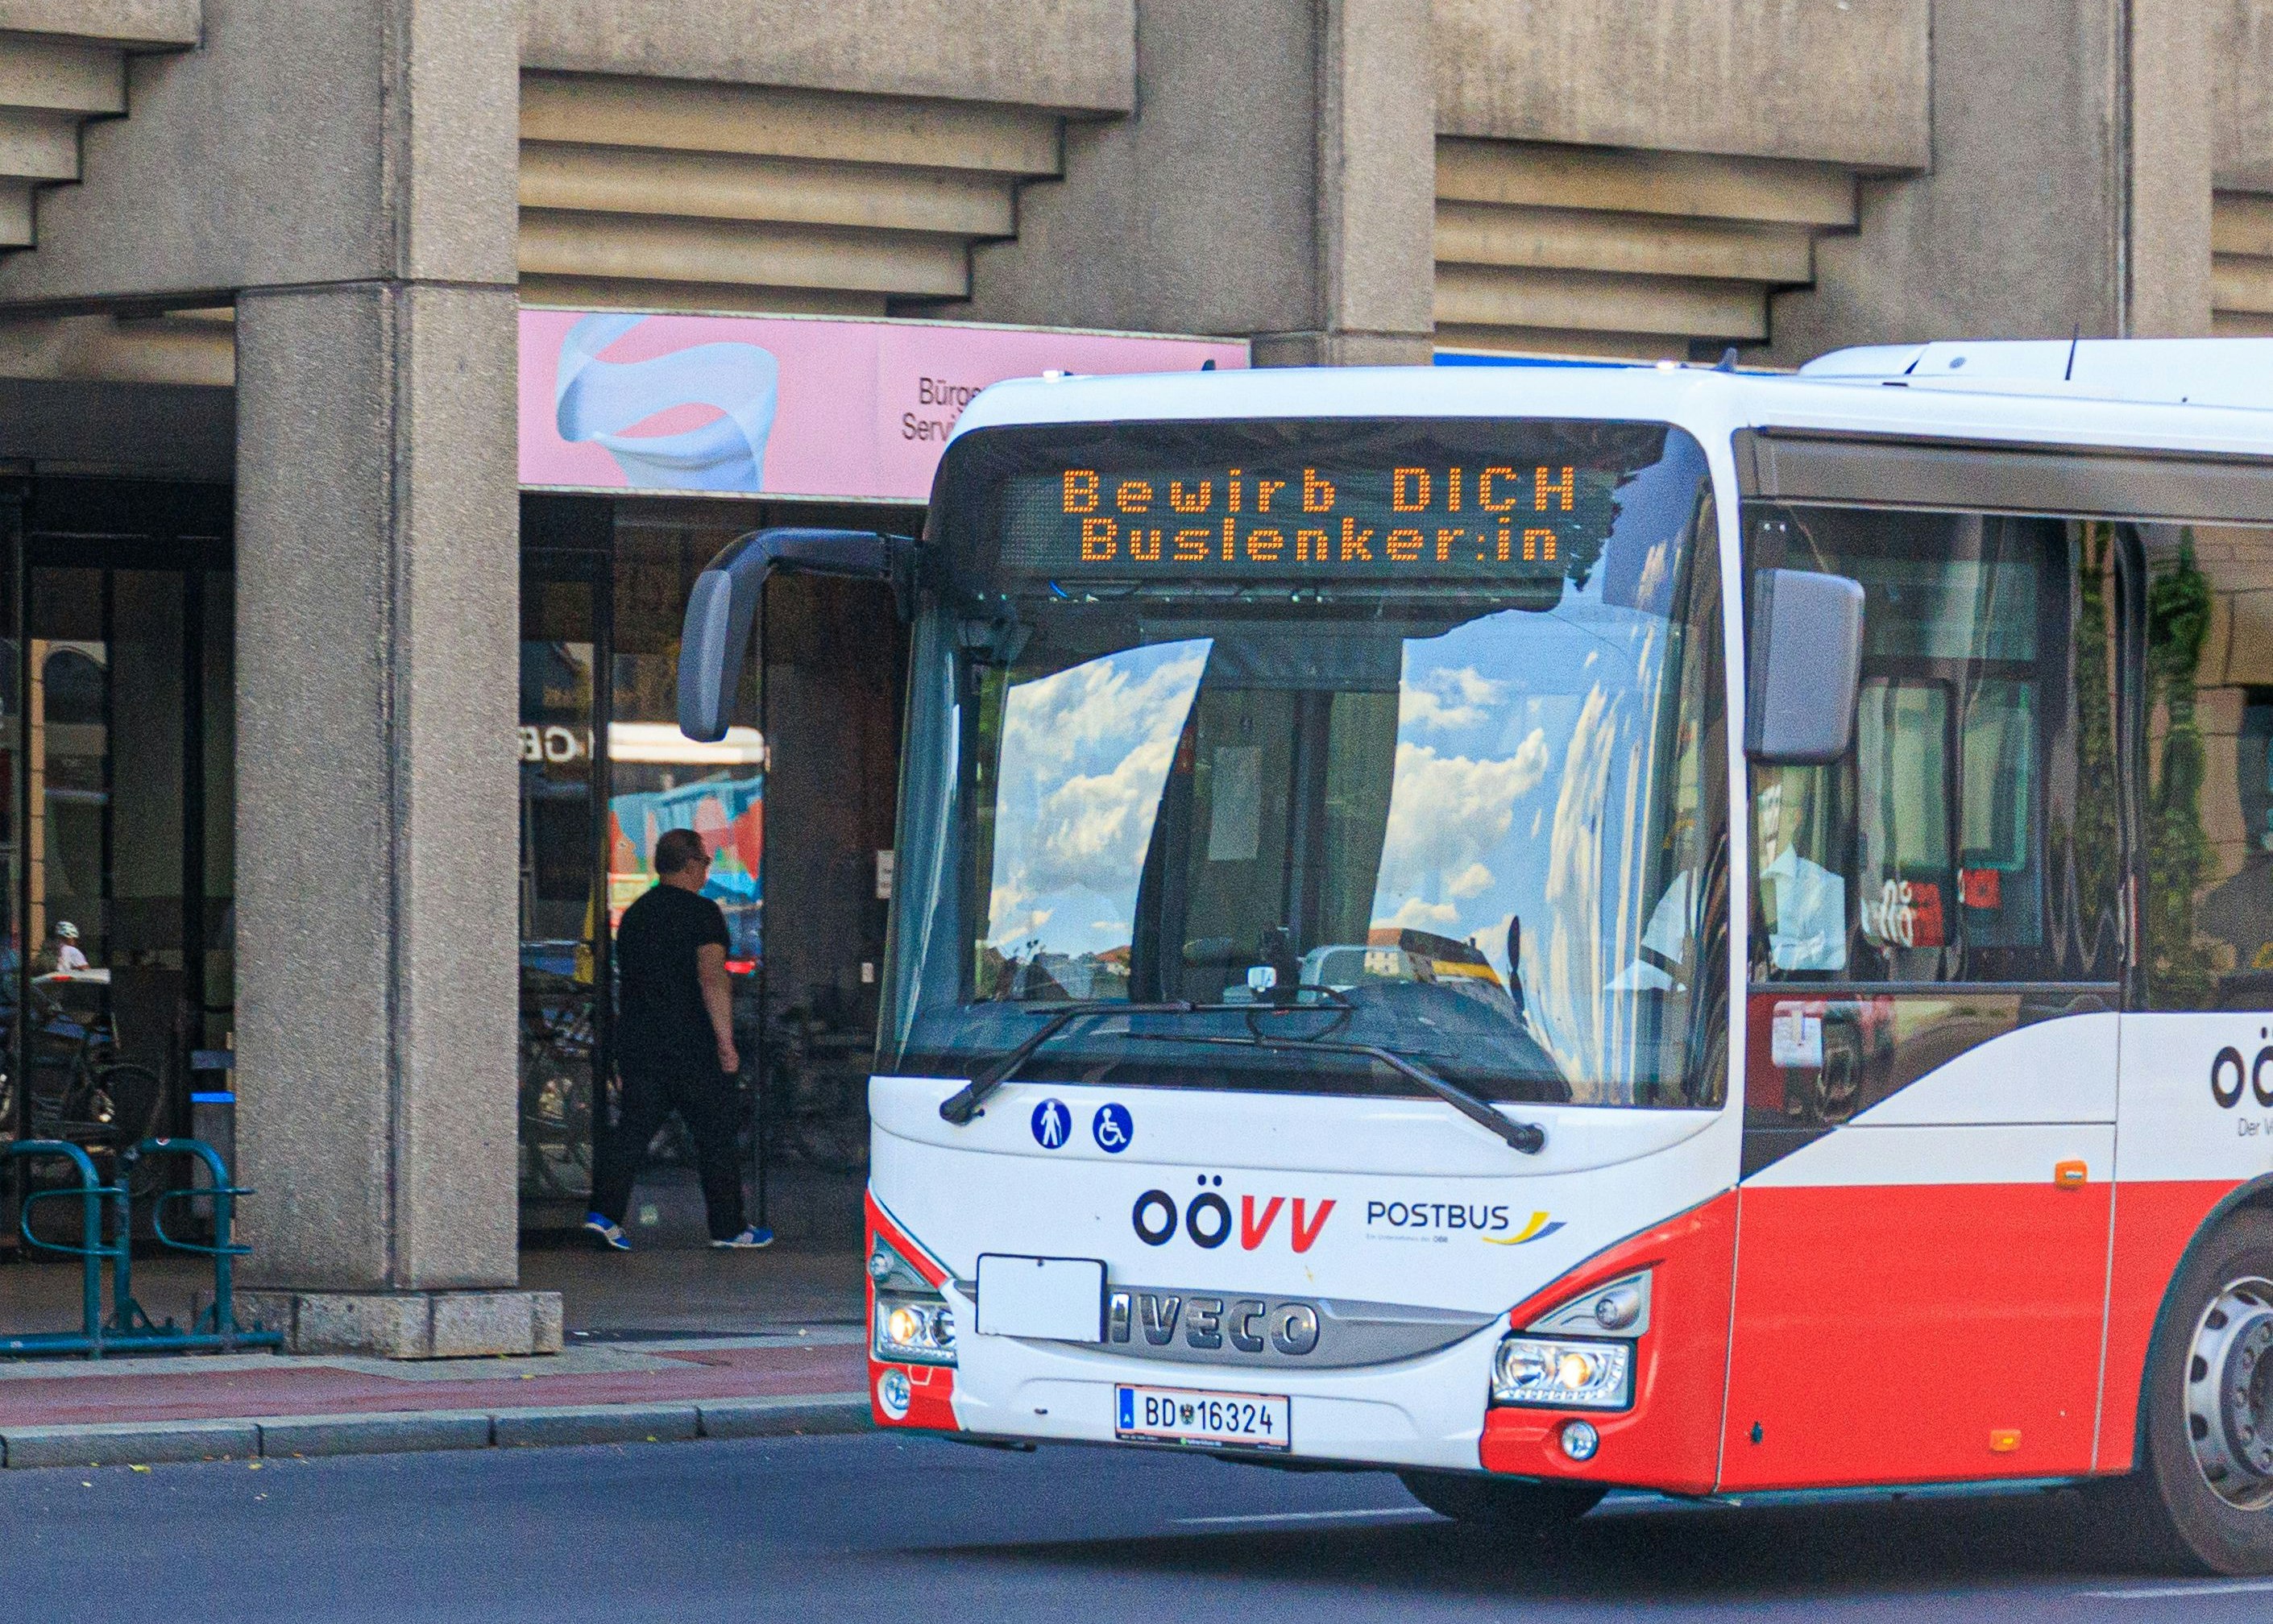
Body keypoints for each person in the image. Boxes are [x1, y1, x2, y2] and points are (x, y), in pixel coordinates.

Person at [585, 827, 770, 1251]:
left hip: (639, 1039)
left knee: (633, 1128)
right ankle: (728, 1227)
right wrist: (726, 1041)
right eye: (704, 861)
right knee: (715, 1134)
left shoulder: (636, 914)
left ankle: (604, 1214)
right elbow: (712, 978)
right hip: (691, 1042)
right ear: (689, 865)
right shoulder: (703, 914)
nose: (707, 870)